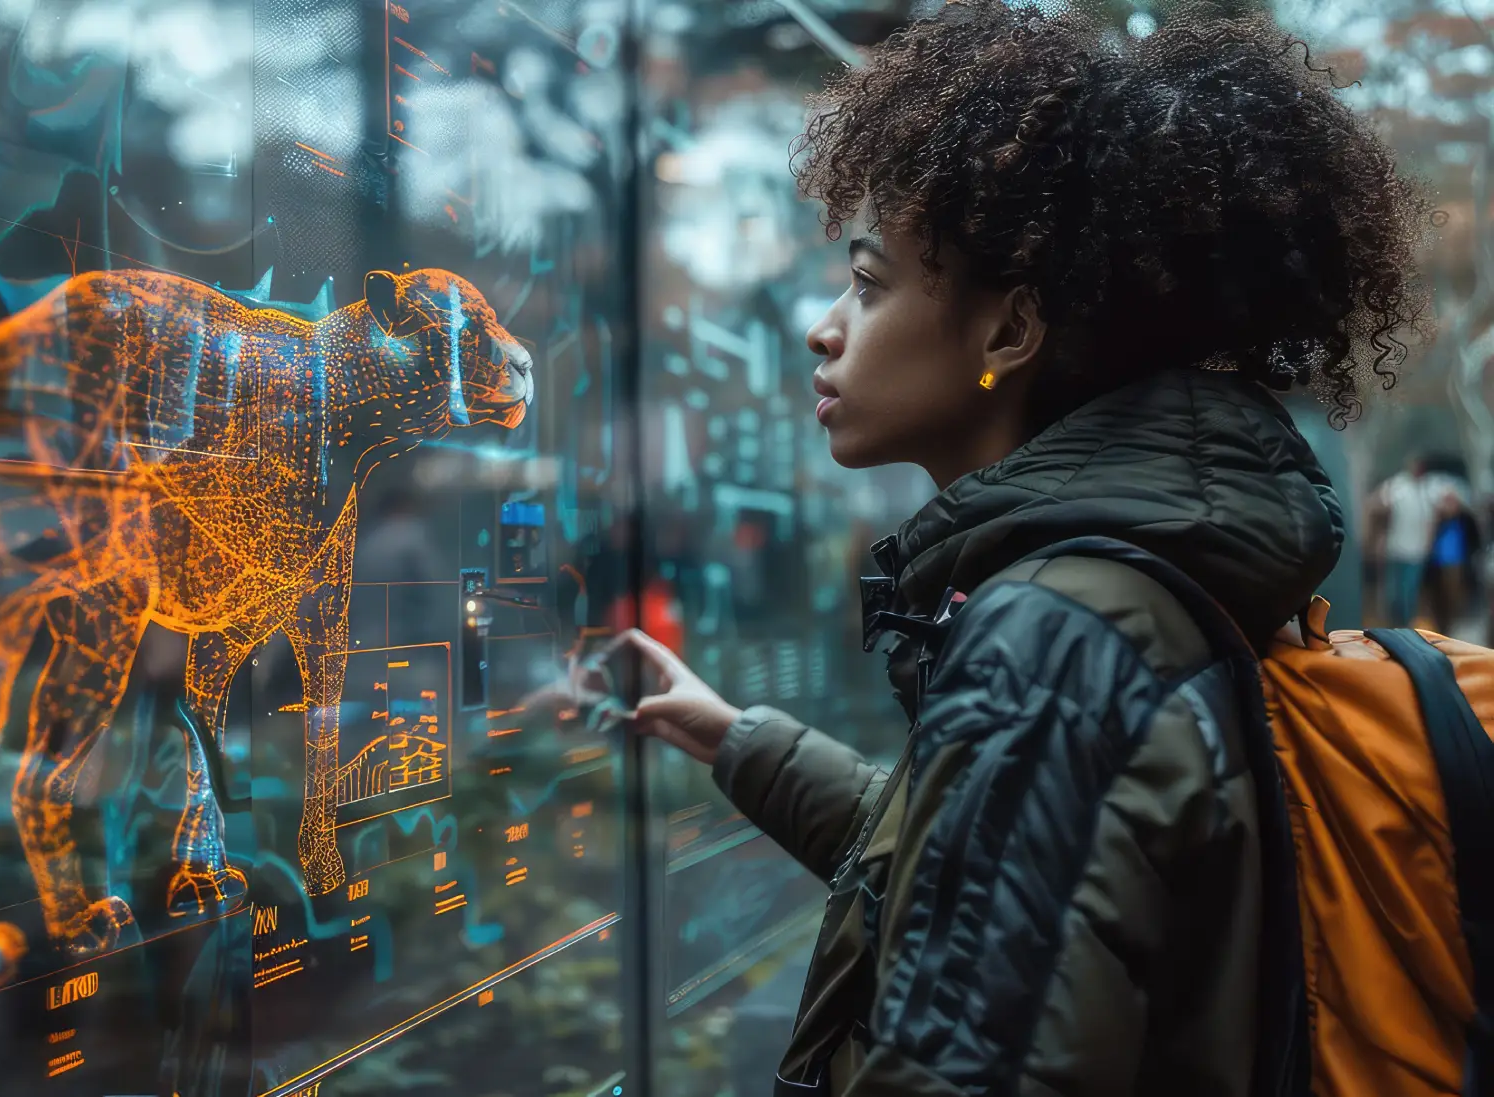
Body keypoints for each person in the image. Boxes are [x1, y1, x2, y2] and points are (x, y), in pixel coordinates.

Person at [564, 4, 1427, 1094]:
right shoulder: (1116, 591)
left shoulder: (1057, 630)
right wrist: (738, 738)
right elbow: (1000, 868)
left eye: (870, 286)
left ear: (1010, 333)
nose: (825, 327)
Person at [1373, 455, 1462, 627]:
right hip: (1395, 549)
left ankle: (1404, 628)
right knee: (1392, 594)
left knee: (1408, 594)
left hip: (1416, 552)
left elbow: (1453, 499)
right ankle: (1391, 626)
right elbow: (1379, 502)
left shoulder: (1432, 487)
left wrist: (1442, 513)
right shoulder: (1399, 484)